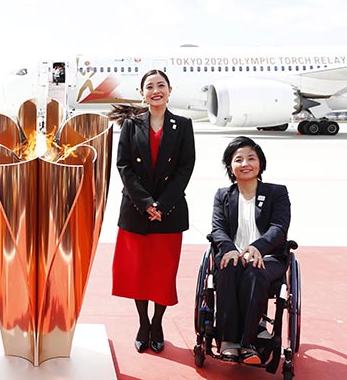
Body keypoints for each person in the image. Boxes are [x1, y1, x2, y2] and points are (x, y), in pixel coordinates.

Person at [108, 69, 195, 354]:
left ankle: (158, 322)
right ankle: (143, 323)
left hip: (169, 213)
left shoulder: (183, 125)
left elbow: (185, 168)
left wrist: (162, 205)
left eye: (161, 85)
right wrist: (146, 203)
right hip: (136, 210)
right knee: (138, 273)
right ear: (142, 93)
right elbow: (124, 166)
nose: (155, 90)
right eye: (149, 86)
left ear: (170, 90)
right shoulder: (132, 125)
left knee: (162, 274)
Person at [211, 136, 291, 364]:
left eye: (251, 158)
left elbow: (279, 228)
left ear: (260, 164)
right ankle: (227, 341)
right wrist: (229, 249)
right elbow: (217, 229)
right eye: (238, 160)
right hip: (232, 254)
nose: (245, 164)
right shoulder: (223, 195)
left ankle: (249, 342)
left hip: (268, 256)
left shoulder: (277, 192)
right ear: (230, 167)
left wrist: (257, 248)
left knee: (255, 272)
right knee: (228, 268)